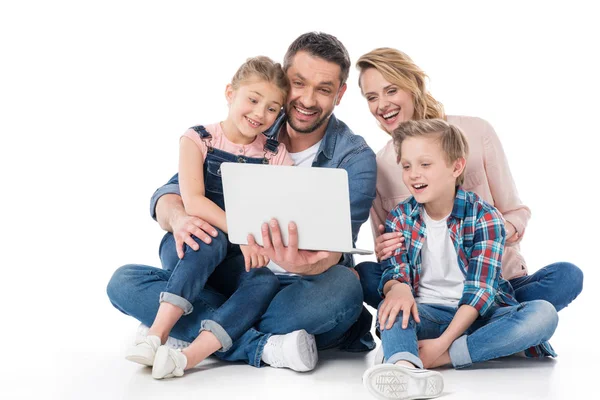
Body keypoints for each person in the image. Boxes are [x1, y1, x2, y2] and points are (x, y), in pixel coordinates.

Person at [107, 32, 377, 373]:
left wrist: (304, 264)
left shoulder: (355, 157)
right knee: (126, 280)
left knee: (344, 288)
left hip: (297, 291)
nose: (308, 99)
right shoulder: (251, 123)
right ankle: (265, 346)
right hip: (234, 274)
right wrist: (178, 219)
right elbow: (173, 193)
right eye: (298, 83)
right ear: (282, 77)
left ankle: (183, 330)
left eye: (323, 89)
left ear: (339, 94)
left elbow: (337, 251)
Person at [355, 47, 583, 319]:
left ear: (413, 85)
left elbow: (515, 212)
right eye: (372, 97)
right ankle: (502, 324)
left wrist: (490, 233)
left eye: (391, 91)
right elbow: (389, 258)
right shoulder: (380, 166)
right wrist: (385, 249)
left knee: (567, 276)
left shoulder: (476, 133)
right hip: (427, 293)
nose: (381, 105)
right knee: (364, 276)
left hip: (497, 283)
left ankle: (465, 323)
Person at [124, 56, 295, 379]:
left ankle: (186, 357)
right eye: (253, 99)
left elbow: (283, 207)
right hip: (191, 246)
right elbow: (194, 201)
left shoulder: (274, 154)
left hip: (234, 259)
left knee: (264, 280)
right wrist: (243, 234)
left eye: (272, 108)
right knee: (210, 237)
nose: (260, 113)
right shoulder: (198, 138)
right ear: (230, 93)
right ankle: (156, 336)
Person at [362, 119, 558, 400]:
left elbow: (481, 291)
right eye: (406, 166)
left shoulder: (485, 217)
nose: (413, 174)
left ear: (456, 167)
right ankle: (404, 369)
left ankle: (435, 359)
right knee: (392, 309)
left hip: (479, 315)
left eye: (425, 164)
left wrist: (442, 347)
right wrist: (398, 287)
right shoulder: (400, 217)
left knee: (543, 315)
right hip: (426, 311)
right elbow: (396, 270)